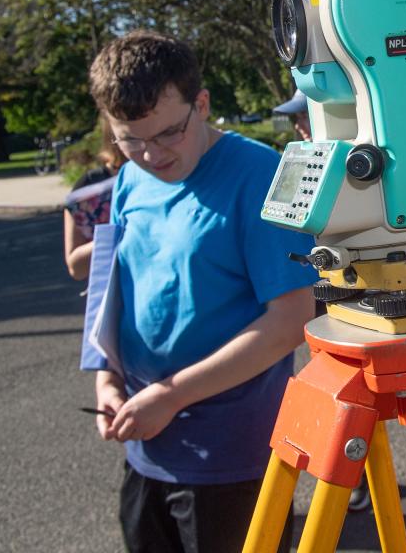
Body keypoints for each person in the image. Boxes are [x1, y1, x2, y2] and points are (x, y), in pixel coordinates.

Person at [87, 30, 316, 553]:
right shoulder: (129, 178)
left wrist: (172, 395)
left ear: (202, 103)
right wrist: (106, 379)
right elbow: (111, 287)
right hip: (146, 435)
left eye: (168, 133)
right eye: (130, 138)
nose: (150, 155)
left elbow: (291, 318)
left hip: (229, 451)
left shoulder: (260, 174)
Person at [270, 87, 406, 510]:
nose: (302, 125)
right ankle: (350, 478)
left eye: (304, 114)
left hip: (391, 297)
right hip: (342, 296)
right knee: (349, 398)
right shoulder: (311, 166)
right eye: (298, 118)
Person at [63, 117, 127, 281]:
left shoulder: (169, 174)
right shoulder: (88, 188)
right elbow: (75, 268)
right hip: (115, 294)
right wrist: (120, 236)